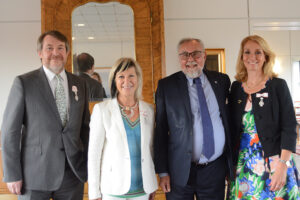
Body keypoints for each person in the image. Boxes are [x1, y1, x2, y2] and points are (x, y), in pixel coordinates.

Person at [1, 30, 90, 200]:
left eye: (60, 48)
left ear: (67, 53)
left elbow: (86, 128)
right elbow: (9, 131)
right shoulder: (24, 83)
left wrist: (88, 165)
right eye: (49, 48)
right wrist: (12, 174)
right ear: (40, 53)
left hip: (72, 175)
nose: (55, 53)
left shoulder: (80, 84)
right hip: (34, 176)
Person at [154, 38, 233, 200]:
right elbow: (160, 130)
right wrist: (163, 172)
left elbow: (228, 121)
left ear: (204, 56)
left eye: (196, 54)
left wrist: (229, 167)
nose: (190, 59)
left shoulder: (222, 81)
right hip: (180, 171)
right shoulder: (166, 86)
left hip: (215, 168)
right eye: (184, 55)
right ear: (179, 58)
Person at [228, 35, 300, 199]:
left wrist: (283, 166)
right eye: (247, 52)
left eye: (258, 52)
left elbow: (289, 127)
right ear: (242, 57)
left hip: (275, 162)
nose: (252, 57)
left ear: (266, 56)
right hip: (243, 165)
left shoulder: (277, 86)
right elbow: (232, 129)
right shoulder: (236, 88)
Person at [88, 57, 158, 200]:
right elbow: (94, 154)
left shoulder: (149, 110)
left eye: (131, 75)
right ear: (114, 80)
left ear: (138, 79)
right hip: (113, 190)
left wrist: (152, 184)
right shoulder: (102, 110)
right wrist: (94, 193)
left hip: (142, 190)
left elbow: (151, 149)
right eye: (121, 76)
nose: (127, 81)